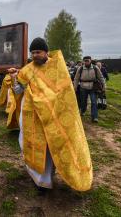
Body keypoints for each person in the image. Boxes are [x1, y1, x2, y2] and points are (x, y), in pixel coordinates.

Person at [9, 38, 92, 192]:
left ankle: (47, 179)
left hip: (54, 116)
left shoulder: (58, 66)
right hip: (32, 116)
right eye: (32, 52)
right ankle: (40, 180)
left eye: (38, 52)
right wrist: (14, 77)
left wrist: (48, 102)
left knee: (50, 147)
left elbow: (65, 92)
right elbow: (18, 90)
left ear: (46, 52)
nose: (35, 55)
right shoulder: (27, 69)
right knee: (31, 145)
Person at [73, 56, 104, 123]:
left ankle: (94, 117)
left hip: (93, 87)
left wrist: (104, 86)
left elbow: (101, 77)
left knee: (93, 102)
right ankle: (83, 111)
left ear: (90, 60)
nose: (86, 62)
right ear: (83, 61)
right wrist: (75, 87)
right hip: (83, 87)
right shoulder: (80, 68)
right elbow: (76, 78)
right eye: (85, 61)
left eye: (87, 60)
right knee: (83, 101)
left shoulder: (95, 68)